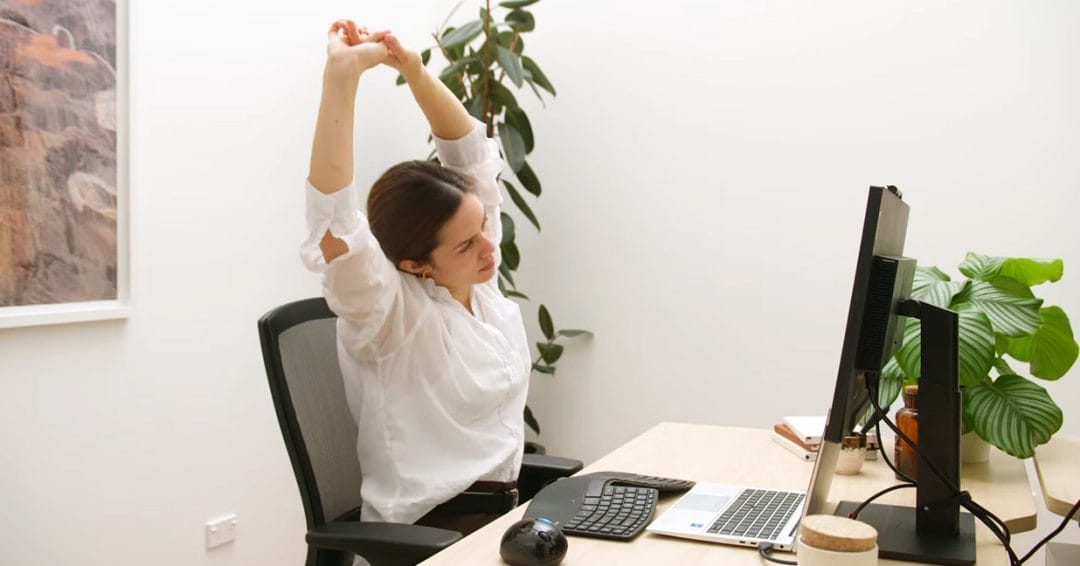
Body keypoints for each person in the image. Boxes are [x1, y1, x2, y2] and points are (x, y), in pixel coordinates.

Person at [301, 19, 531, 535]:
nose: (490, 246)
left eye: (483, 227)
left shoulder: (476, 280)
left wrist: (412, 68)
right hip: (433, 532)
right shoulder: (387, 313)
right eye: (468, 242)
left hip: (505, 518)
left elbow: (470, 153)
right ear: (414, 264)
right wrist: (342, 76)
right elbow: (335, 226)